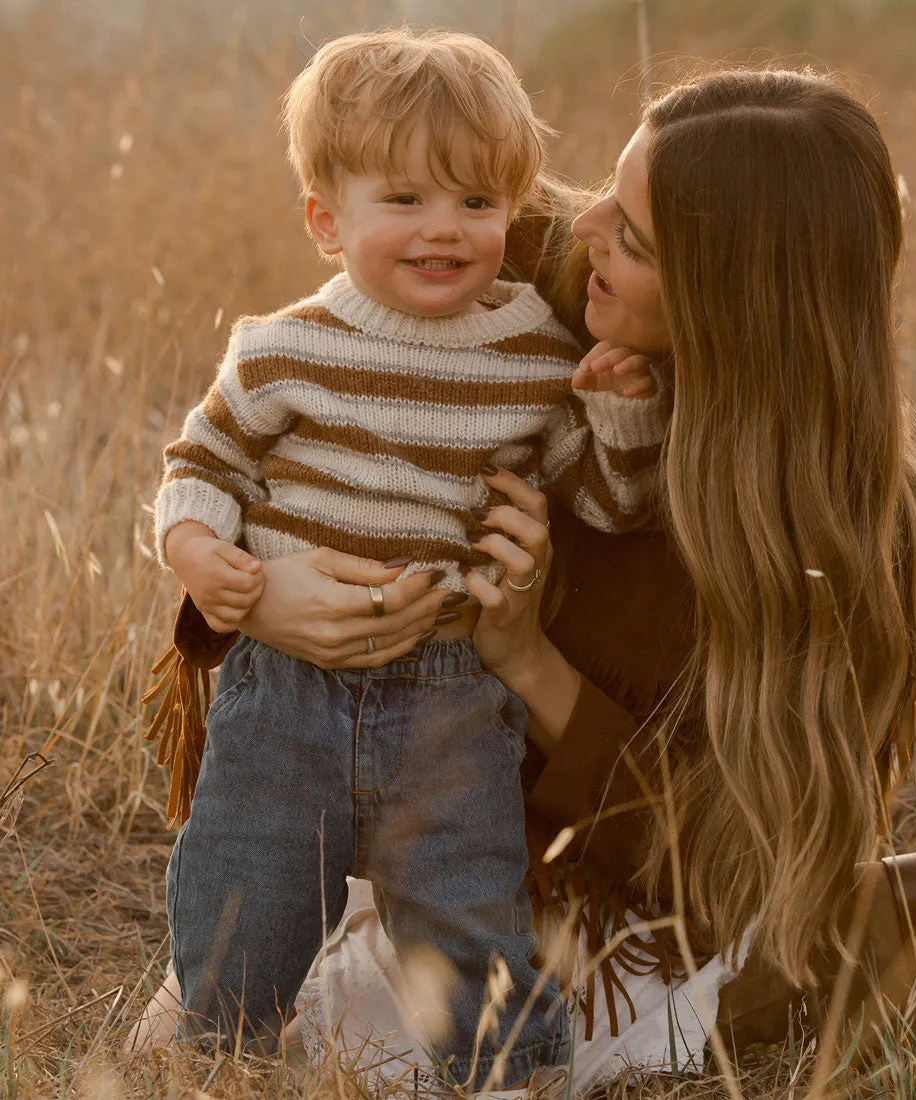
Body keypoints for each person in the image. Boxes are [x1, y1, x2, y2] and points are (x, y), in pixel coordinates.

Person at [132, 67, 916, 1088]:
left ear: (727, 299)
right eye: (611, 188)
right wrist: (274, 592)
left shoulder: (862, 534)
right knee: (255, 990)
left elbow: (720, 851)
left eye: (636, 238)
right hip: (390, 796)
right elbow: (302, 437)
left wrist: (521, 654)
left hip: (573, 883)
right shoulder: (501, 267)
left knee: (553, 1002)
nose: (584, 228)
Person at [148, 27, 668, 1090]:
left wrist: (617, 418)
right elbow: (200, 461)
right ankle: (211, 1049)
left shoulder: (532, 354)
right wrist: (200, 550)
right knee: (244, 882)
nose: (445, 229)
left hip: (448, 694)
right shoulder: (281, 348)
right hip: (285, 690)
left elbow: (599, 503)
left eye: (476, 203)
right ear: (324, 221)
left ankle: (506, 1070)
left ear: (512, 209)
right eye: (405, 201)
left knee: (466, 895)